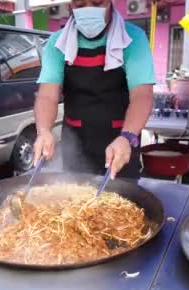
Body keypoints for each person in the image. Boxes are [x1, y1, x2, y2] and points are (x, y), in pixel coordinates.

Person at [32, 0, 155, 180]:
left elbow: (142, 96)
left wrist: (127, 137)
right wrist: (43, 131)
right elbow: (47, 95)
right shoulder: (57, 43)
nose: (89, 9)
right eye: (80, 5)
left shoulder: (133, 39)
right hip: (76, 143)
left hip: (121, 140)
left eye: (97, 3)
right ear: (70, 6)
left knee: (122, 204)